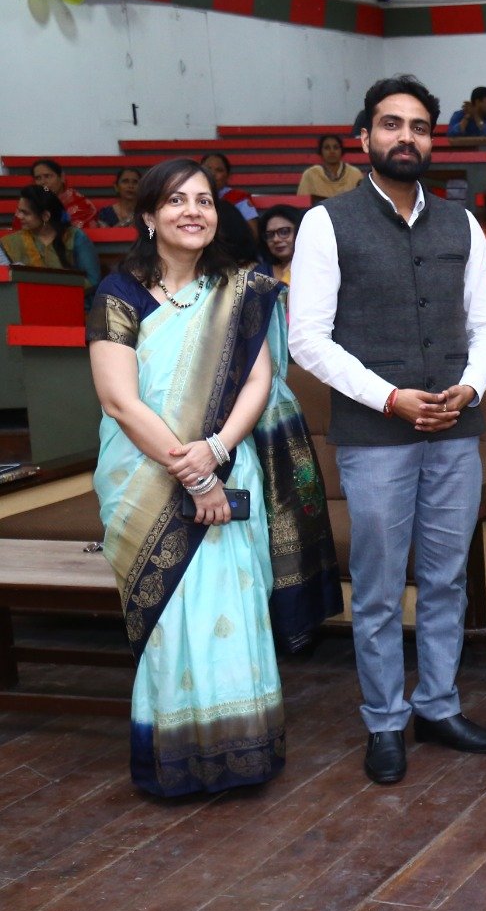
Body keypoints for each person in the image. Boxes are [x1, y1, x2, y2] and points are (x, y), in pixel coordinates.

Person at [87, 157, 340, 798]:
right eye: (176, 201)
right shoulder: (117, 293)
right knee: (173, 618)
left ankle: (242, 754)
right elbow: (120, 401)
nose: (193, 211)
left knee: (233, 605)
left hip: (227, 463)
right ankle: (177, 759)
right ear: (149, 216)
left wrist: (217, 450)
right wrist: (193, 474)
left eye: (203, 200)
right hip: (146, 476)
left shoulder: (242, 290)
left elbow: (259, 381)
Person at [289, 74, 486, 786]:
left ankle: (438, 706)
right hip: (375, 434)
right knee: (381, 588)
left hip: (455, 426)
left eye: (418, 126)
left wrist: (473, 384)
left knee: (446, 579)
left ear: (431, 141)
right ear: (365, 138)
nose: (405, 137)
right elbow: (307, 339)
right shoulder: (327, 223)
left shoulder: (461, 222)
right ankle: (385, 721)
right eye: (391, 124)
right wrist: (389, 399)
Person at [0, 185, 101, 290]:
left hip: (72, 297)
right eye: (19, 211)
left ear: (45, 216)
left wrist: (57, 290)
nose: (18, 216)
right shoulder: (10, 242)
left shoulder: (75, 237)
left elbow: (92, 280)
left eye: (25, 213)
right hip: (27, 298)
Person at [26, 159, 98, 230]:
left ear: (62, 177)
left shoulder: (82, 205)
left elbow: (77, 235)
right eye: (38, 178)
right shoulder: (31, 203)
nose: (43, 182)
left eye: (47, 176)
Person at [200, 153, 258, 233]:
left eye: (219, 170)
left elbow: (253, 233)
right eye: (208, 169)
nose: (212, 173)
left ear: (228, 176)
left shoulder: (239, 199)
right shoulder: (189, 196)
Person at [296, 134, 364, 200]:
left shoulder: (355, 174)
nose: (332, 151)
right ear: (321, 151)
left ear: (341, 151)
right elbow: (302, 202)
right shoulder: (310, 174)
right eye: (327, 148)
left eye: (336, 148)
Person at [256, 204, 302, 286]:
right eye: (270, 235)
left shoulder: (316, 266)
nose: (276, 239)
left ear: (300, 231)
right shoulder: (259, 274)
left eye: (284, 232)